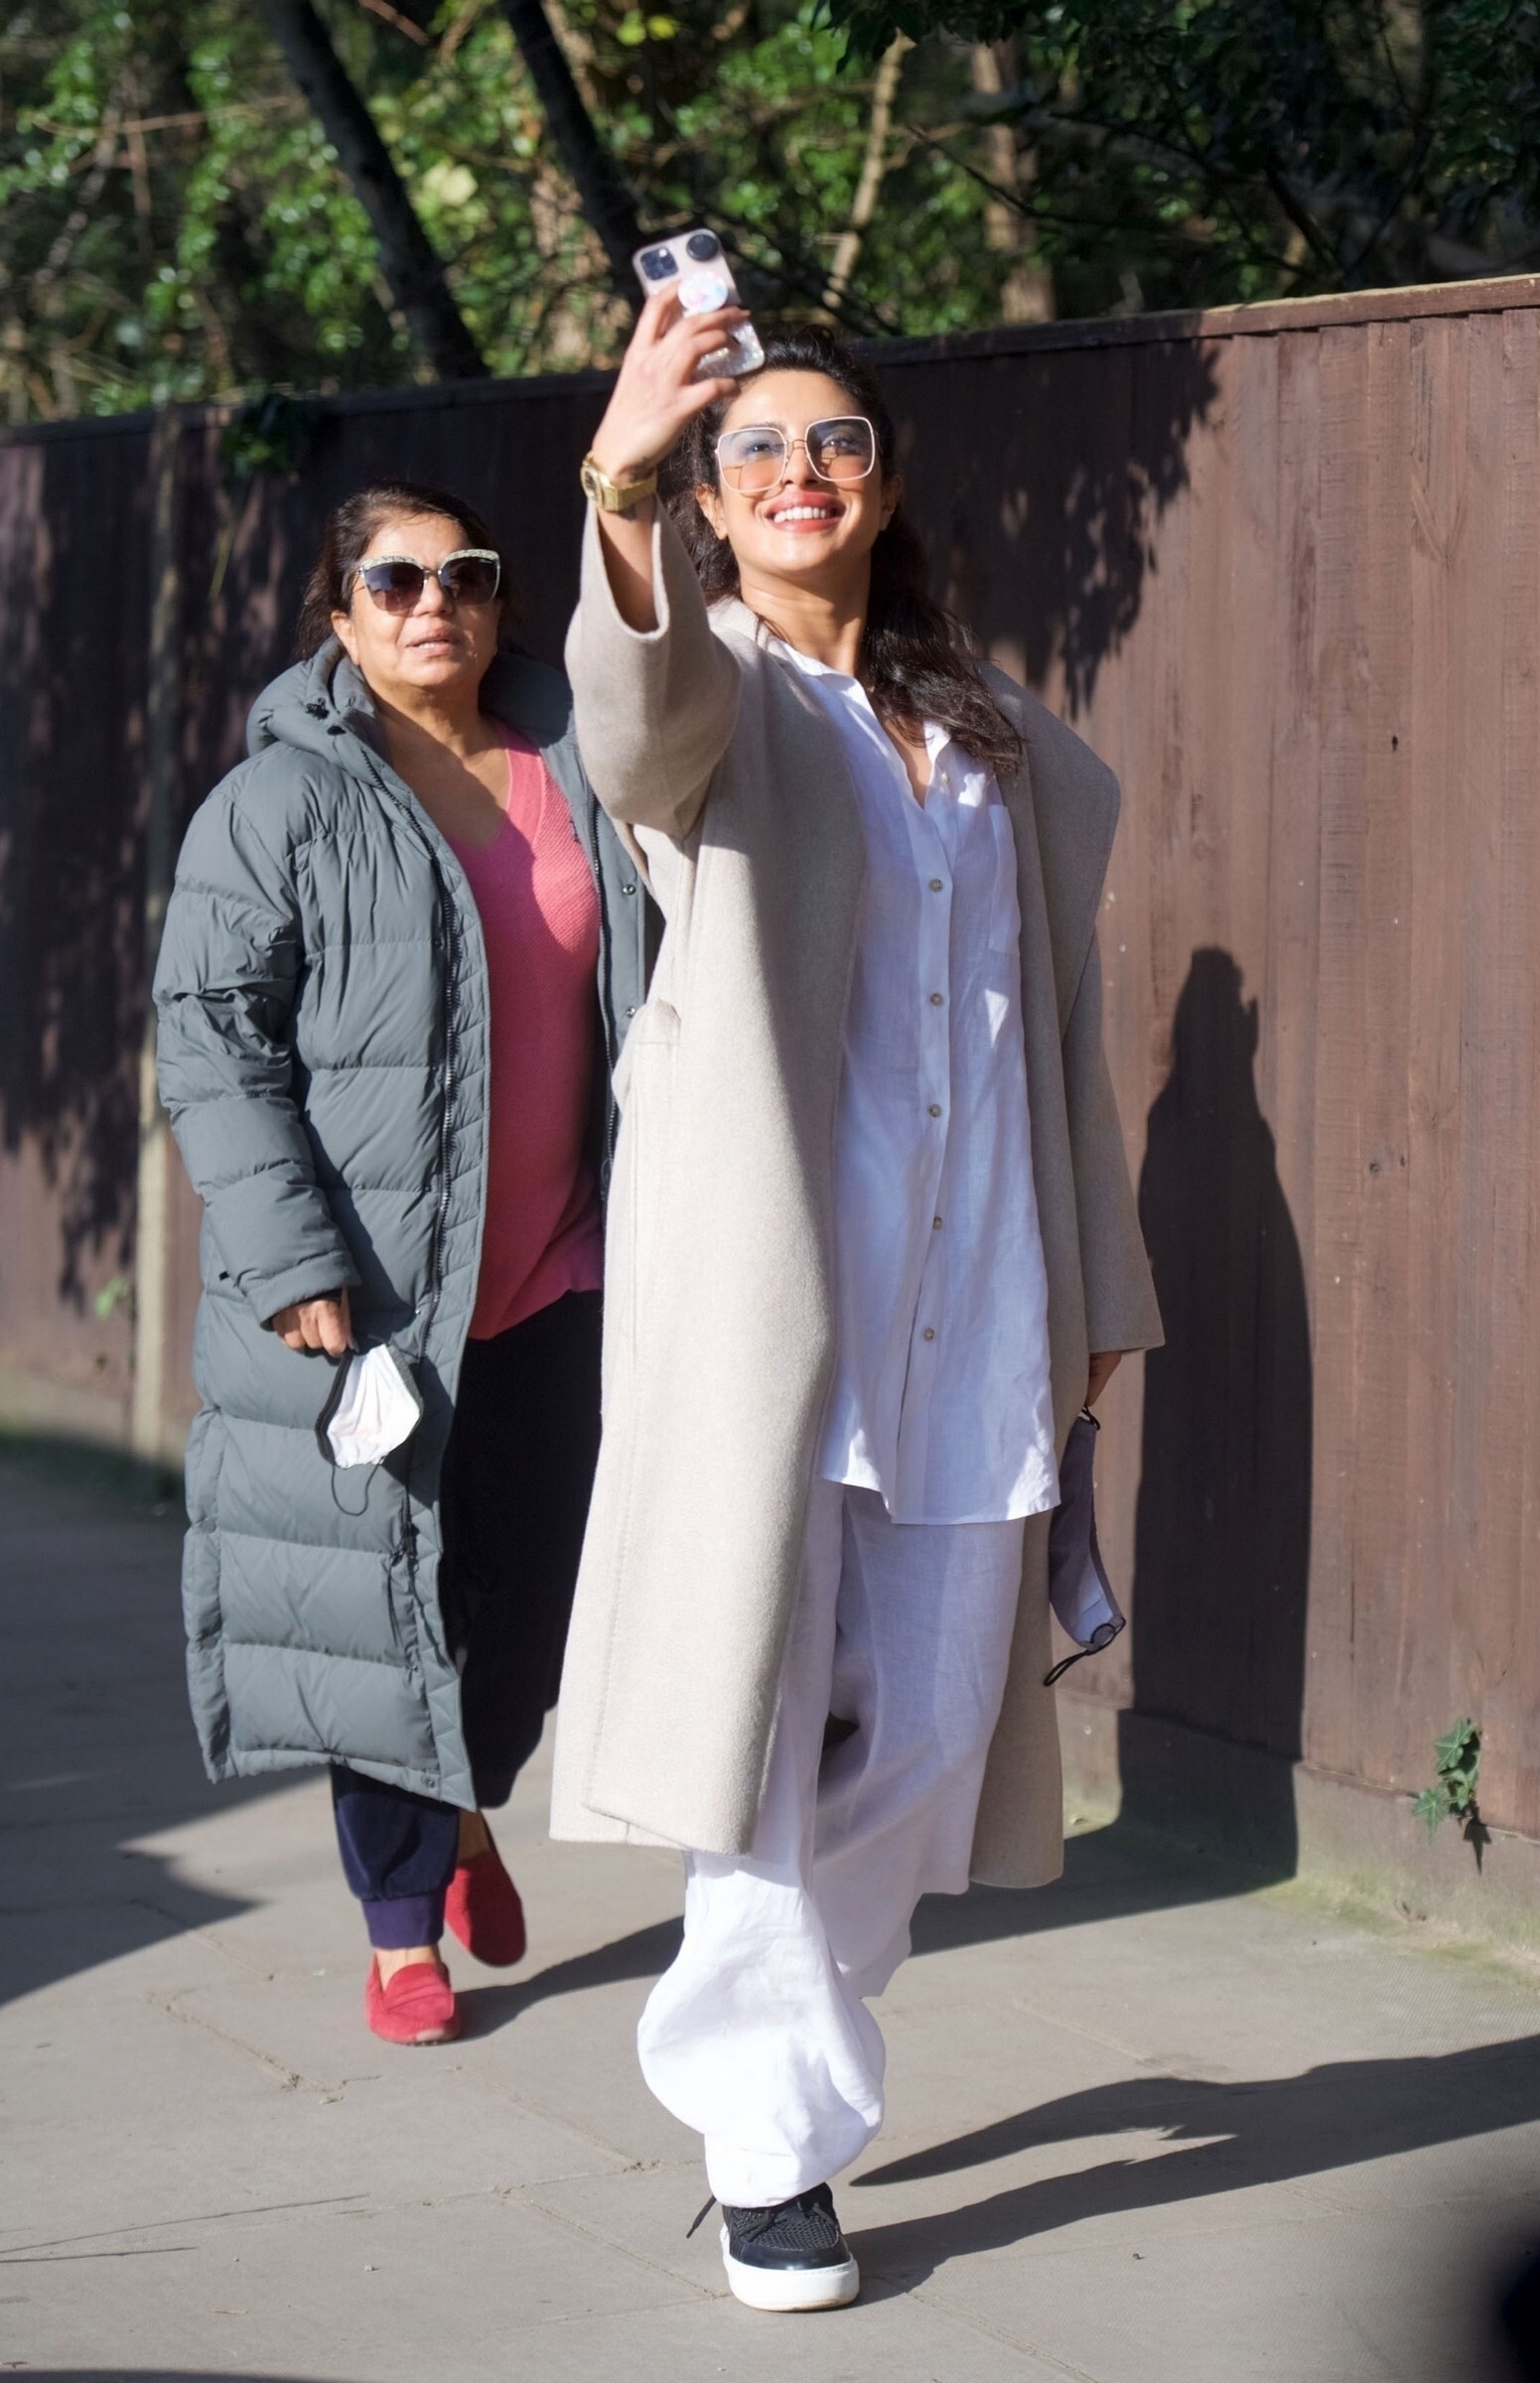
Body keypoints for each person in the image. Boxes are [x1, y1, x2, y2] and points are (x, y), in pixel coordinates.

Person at [551, 305, 1164, 2310]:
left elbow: (1052, 1041)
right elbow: (628, 722)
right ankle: (768, 2148)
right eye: (753, 450)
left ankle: (783, 2062)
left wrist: (1094, 1283)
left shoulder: (985, 734)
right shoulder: (712, 701)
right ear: (713, 507)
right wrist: (620, 476)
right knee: (756, 1731)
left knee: (925, 1733)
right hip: (775, 1311)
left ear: (883, 484)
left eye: (831, 442)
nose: (795, 471)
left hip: (978, 1293)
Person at [155, 480, 652, 2048]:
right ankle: (397, 1927)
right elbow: (211, 1041)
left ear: (499, 602)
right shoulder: (277, 805)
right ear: (339, 616)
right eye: (394, 581)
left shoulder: (582, 769)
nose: (434, 603)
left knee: (537, 1602)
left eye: (465, 575)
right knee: (376, 1607)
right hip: (368, 1299)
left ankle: (465, 1799)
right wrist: (289, 1255)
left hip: (564, 1271)